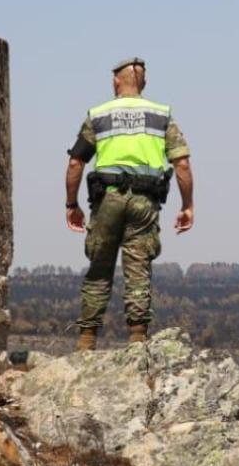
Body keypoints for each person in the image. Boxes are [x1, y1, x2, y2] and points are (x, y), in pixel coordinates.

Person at [64, 57, 194, 351]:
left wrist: (71, 204)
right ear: (143, 82)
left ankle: (86, 341)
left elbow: (75, 162)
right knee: (138, 269)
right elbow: (182, 164)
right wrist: (187, 206)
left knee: (100, 267)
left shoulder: (99, 115)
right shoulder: (161, 115)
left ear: (115, 82)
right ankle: (137, 341)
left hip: (107, 199)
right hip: (144, 201)